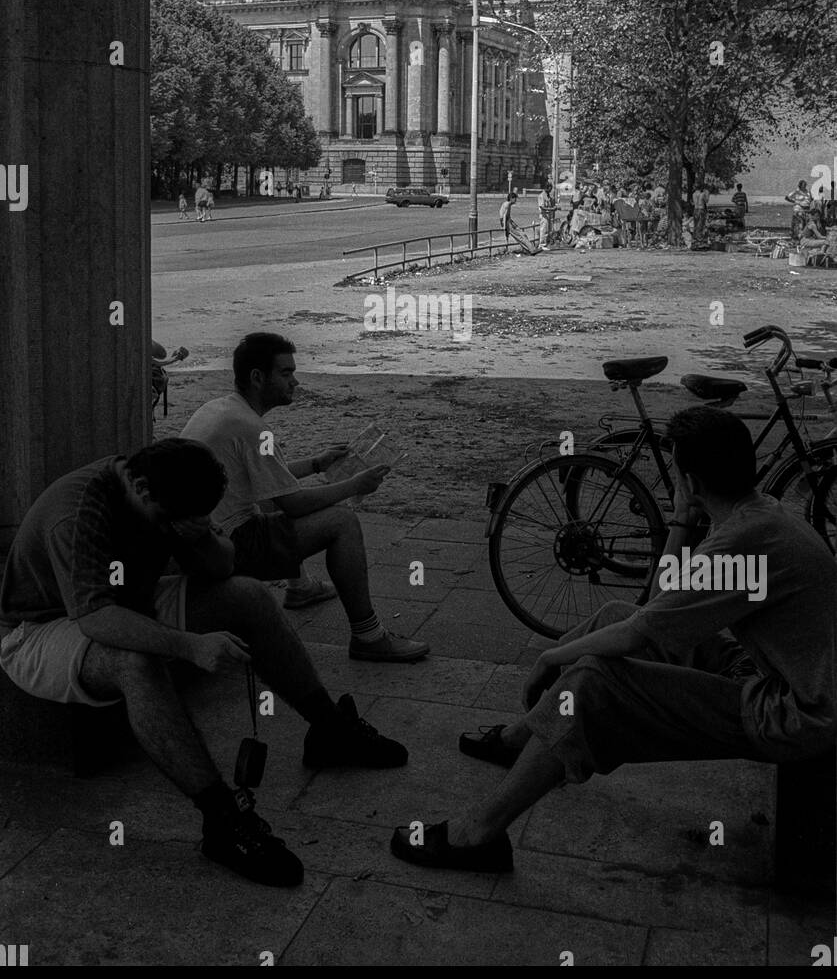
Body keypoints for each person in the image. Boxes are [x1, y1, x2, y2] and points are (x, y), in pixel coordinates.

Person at [389, 407, 835, 874]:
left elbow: (645, 628)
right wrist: (683, 520)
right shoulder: (760, 514)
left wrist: (552, 655)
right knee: (613, 616)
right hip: (782, 677)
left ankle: (476, 834)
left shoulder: (744, 540)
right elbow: (656, 606)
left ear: (690, 480)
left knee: (591, 683)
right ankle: (523, 738)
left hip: (799, 713)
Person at [0, 439, 410, 890]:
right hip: (40, 627)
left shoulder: (173, 488)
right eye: (167, 520)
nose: (172, 527)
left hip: (125, 601)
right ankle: (222, 821)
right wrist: (188, 645)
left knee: (249, 596)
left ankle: (331, 729)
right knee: (134, 660)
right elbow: (97, 619)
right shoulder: (79, 514)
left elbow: (225, 564)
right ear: (139, 489)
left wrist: (193, 534)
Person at [180, 333, 430, 663]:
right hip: (226, 547)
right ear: (258, 377)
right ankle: (369, 636)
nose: (295, 382)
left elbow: (267, 481)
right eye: (285, 373)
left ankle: (301, 587)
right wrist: (355, 485)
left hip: (198, 540)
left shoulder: (220, 410)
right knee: (342, 523)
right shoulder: (252, 429)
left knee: (269, 499)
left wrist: (316, 463)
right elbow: (294, 503)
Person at [785, 179, 813, 243]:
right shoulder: (796, 192)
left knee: (806, 223)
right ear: (800, 185)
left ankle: (804, 237)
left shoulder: (808, 192)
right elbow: (787, 197)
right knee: (799, 223)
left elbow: (811, 199)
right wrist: (795, 202)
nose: (805, 186)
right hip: (798, 209)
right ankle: (796, 237)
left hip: (806, 209)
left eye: (805, 185)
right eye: (803, 185)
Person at [537, 182, 554, 250]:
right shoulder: (541, 196)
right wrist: (551, 209)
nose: (551, 190)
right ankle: (542, 244)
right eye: (550, 188)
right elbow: (542, 207)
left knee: (548, 230)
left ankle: (546, 244)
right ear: (547, 188)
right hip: (544, 215)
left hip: (549, 214)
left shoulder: (548, 196)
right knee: (543, 230)